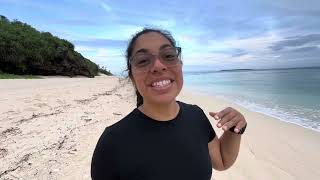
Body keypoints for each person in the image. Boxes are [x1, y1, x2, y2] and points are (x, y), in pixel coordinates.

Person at [91, 28, 247, 180]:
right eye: (143, 61)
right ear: (131, 77)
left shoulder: (196, 115)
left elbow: (221, 161)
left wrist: (235, 128)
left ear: (180, 64)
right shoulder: (113, 142)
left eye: (168, 55)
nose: (158, 66)